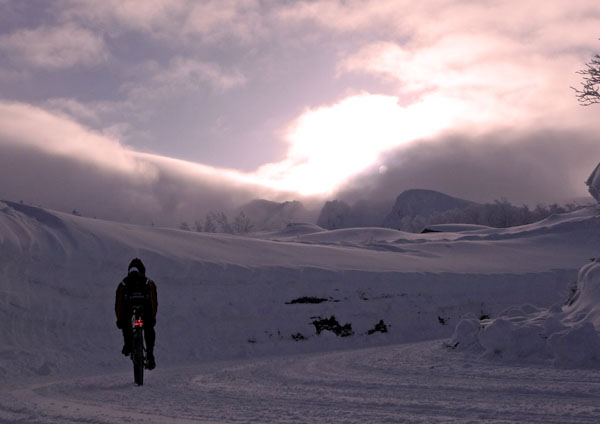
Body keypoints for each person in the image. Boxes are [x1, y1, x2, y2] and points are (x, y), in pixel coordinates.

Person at [115, 258, 158, 370]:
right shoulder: (148, 282)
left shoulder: (124, 282)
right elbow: (154, 301)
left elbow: (119, 303)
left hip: (129, 308)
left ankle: (128, 345)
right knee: (148, 329)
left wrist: (120, 320)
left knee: (126, 322)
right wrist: (153, 318)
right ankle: (149, 355)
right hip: (146, 309)